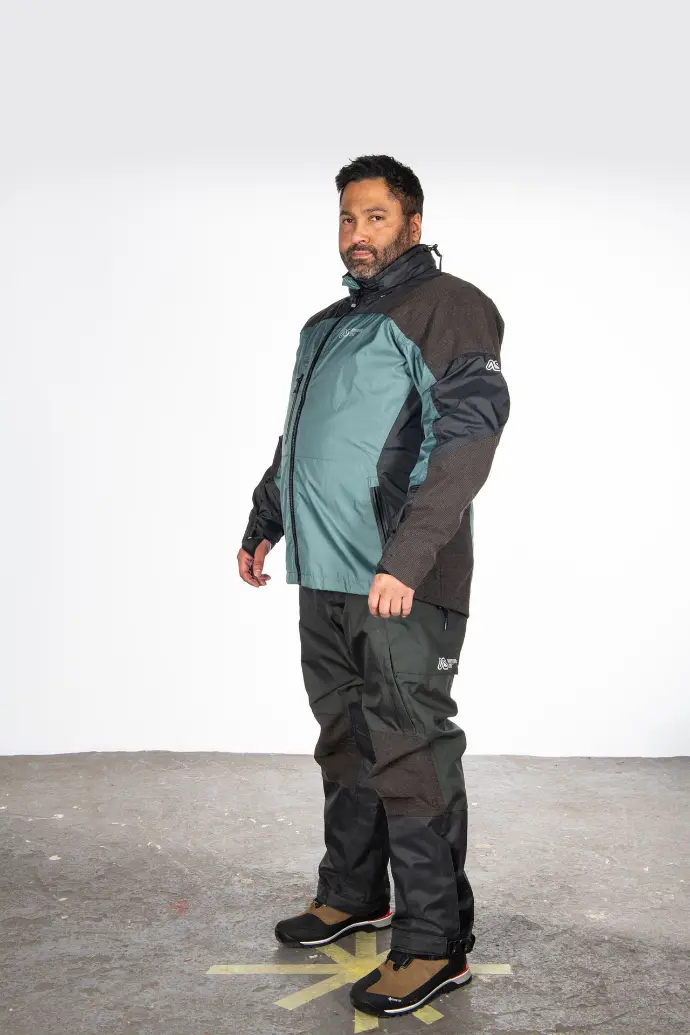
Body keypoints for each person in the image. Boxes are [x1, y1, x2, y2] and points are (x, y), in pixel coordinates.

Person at [237, 154, 510, 1018]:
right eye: (348, 218)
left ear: (413, 224)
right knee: (346, 739)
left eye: (376, 217)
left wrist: (409, 558)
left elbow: (468, 434)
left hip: (400, 578)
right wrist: (265, 518)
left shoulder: (447, 307)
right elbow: (302, 436)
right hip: (326, 571)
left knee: (410, 750)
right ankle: (354, 892)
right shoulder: (326, 325)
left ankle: (434, 943)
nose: (357, 233)